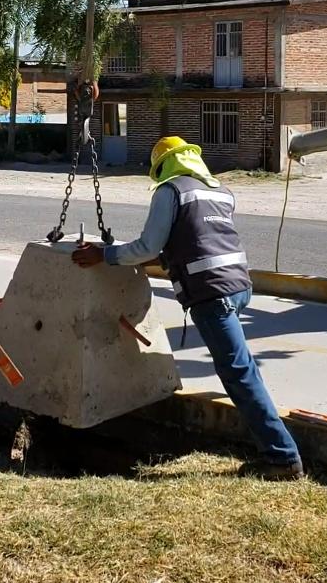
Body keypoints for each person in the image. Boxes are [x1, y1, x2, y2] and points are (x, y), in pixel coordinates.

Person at [72, 136, 303, 480]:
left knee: (240, 375)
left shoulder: (171, 191)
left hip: (212, 295)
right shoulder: (220, 191)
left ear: (164, 167)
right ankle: (276, 452)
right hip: (238, 287)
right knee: (243, 371)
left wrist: (104, 255)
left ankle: (284, 459)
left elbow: (149, 245)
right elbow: (193, 240)